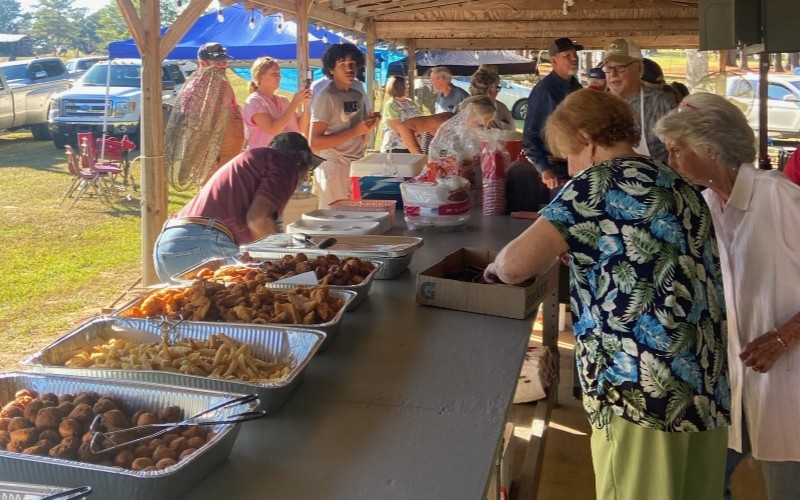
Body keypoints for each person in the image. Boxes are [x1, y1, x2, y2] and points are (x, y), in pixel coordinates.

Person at [485, 89, 730, 500]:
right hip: (704, 382)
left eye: (570, 157)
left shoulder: (596, 183)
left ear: (588, 140)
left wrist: (494, 266)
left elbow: (514, 267)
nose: (571, 168)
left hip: (640, 390)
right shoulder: (676, 181)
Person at [655, 92, 800, 500]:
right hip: (734, 386)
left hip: (789, 387)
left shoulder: (779, 198)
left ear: (710, 150)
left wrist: (784, 336)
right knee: (702, 481)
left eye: (676, 151)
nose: (671, 161)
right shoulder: (706, 205)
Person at [153, 132, 324, 282]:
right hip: (202, 243)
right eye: (307, 171)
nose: (302, 178)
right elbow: (258, 219)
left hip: (169, 243)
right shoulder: (283, 163)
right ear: (301, 159)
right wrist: (283, 264)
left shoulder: (254, 159)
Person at [309, 43, 380, 208]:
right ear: (331, 69)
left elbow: (360, 132)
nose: (349, 69)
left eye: (352, 64)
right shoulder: (326, 97)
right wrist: (355, 131)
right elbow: (314, 143)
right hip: (333, 166)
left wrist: (370, 124)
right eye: (342, 64)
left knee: (355, 218)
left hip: (356, 164)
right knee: (336, 220)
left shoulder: (357, 94)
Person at [521, 37, 584, 191]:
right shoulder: (545, 91)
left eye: (575, 54)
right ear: (554, 61)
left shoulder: (576, 87)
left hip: (577, 165)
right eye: (567, 56)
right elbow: (530, 134)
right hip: (556, 168)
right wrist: (544, 168)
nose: (574, 58)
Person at [601, 39, 675, 163]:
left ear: (639, 69)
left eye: (620, 67)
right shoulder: (597, 106)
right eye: (608, 67)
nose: (613, 74)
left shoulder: (659, 103)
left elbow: (679, 148)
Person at [196, 42, 245, 173]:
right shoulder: (198, 89)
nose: (223, 64)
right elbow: (197, 131)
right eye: (217, 62)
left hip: (230, 157)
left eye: (224, 61)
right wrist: (208, 163)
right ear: (203, 64)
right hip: (213, 161)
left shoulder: (223, 82)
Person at [243, 56, 311, 149]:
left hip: (288, 157)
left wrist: (305, 105)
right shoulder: (254, 101)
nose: (278, 76)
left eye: (279, 73)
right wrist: (294, 102)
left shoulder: (283, 100)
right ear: (261, 77)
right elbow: (274, 129)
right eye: (274, 73)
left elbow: (301, 128)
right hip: (265, 158)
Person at [379, 75, 423, 153]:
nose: (408, 88)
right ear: (397, 88)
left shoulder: (411, 102)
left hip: (413, 145)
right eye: (405, 86)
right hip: (396, 148)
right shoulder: (390, 105)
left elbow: (421, 120)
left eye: (407, 86)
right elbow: (396, 126)